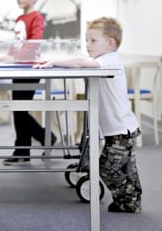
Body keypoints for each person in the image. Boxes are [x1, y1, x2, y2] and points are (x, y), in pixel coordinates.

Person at [34, 17, 142, 213]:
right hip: (120, 128)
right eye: (86, 40)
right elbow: (82, 61)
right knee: (127, 168)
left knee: (107, 168)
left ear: (110, 43)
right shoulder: (103, 60)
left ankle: (126, 199)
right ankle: (130, 201)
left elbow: (80, 62)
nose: (87, 45)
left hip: (121, 129)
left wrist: (53, 62)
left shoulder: (110, 61)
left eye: (93, 40)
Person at [3, 0, 56, 165]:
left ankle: (37, 141)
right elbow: (17, 43)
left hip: (30, 68)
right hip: (18, 68)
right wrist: (8, 56)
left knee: (19, 109)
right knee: (18, 109)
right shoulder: (19, 19)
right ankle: (27, 148)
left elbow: (35, 42)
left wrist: (16, 56)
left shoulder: (36, 18)